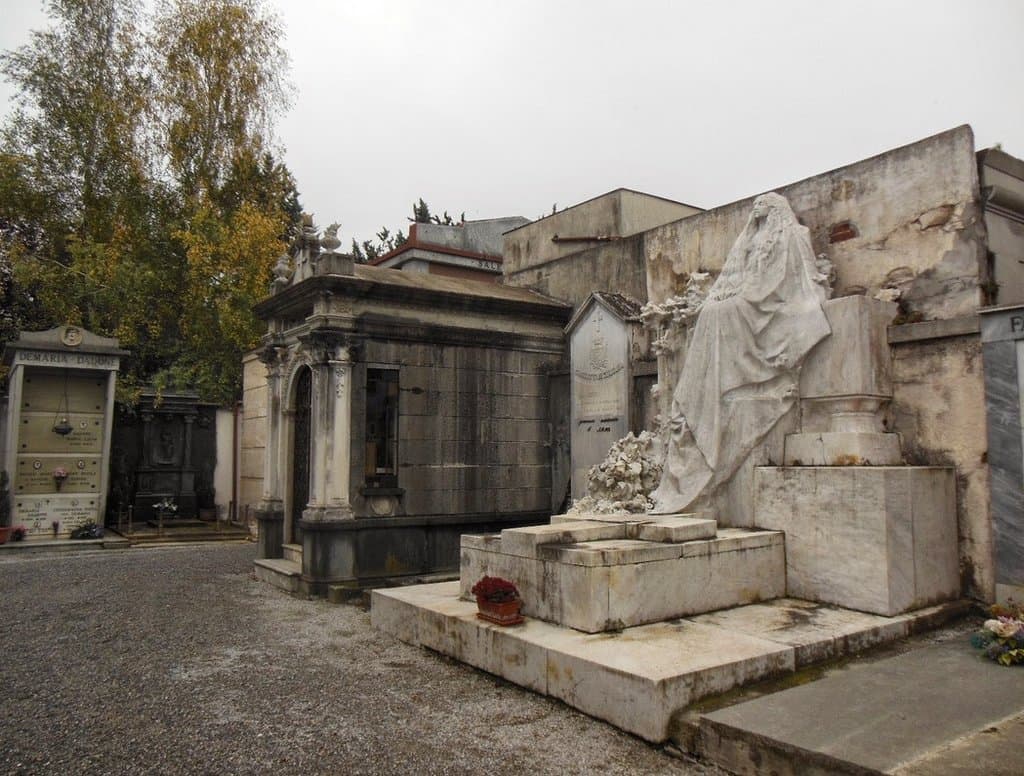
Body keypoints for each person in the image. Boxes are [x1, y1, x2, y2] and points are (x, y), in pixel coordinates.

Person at [649, 192, 830, 514]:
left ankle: (726, 378)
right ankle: (706, 387)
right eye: (755, 204)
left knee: (720, 313)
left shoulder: (794, 234)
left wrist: (750, 293)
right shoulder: (752, 238)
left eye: (764, 203)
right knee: (712, 312)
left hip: (774, 300)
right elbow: (739, 275)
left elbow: (794, 276)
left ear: (776, 208)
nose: (757, 207)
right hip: (749, 297)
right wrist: (733, 292)